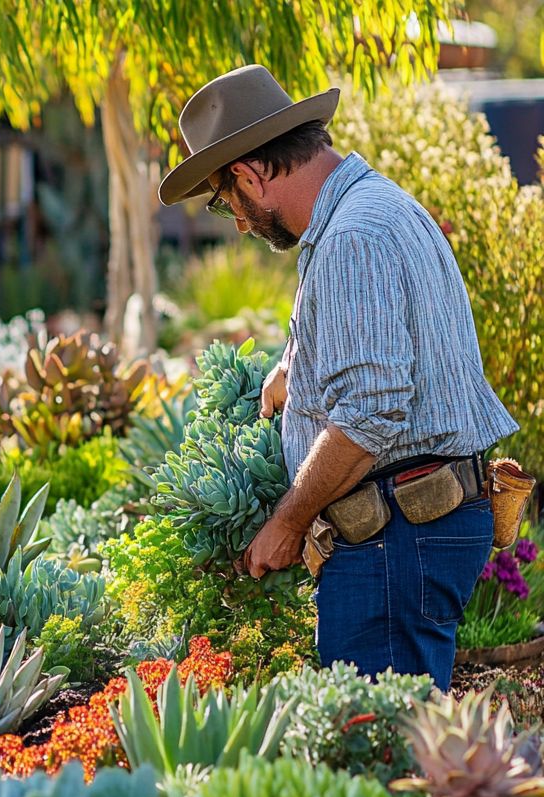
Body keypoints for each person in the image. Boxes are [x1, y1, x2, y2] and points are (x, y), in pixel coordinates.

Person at [158, 65, 518, 689]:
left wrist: (289, 521)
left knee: (382, 755)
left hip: (395, 541)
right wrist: (296, 366)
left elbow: (370, 416)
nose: (237, 222)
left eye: (225, 201)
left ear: (251, 174)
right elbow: (388, 346)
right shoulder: (371, 209)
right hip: (409, 535)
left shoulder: (352, 239)